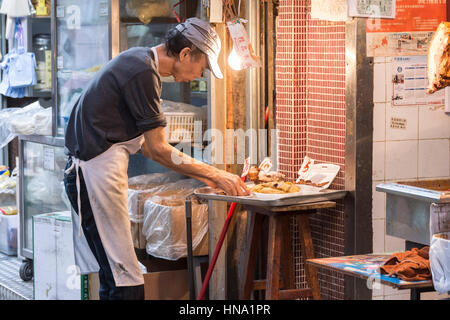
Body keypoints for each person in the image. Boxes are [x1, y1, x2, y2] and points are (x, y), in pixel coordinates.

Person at [63, 18, 249, 300]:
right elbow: (160, 148)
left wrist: (209, 178)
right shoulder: (142, 71)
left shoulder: (139, 63)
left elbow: (149, 148)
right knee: (126, 282)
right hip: (94, 175)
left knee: (118, 276)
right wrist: (218, 175)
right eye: (202, 67)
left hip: (94, 173)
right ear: (185, 54)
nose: (201, 75)